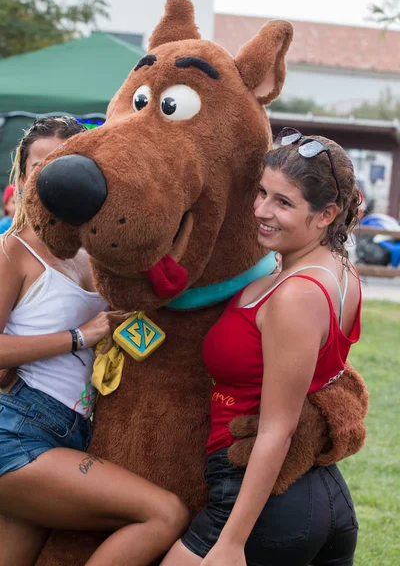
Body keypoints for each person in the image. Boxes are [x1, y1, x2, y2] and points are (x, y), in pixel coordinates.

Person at [161, 128, 363, 566]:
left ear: (327, 214)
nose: (261, 210)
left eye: (283, 202)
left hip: (258, 499)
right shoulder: (339, 271)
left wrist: (230, 541)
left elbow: (277, 428)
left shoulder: (298, 294)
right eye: (261, 193)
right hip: (319, 490)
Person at [0, 117, 189, 566]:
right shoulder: (12, 251)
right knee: (163, 514)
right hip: (20, 431)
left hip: (69, 432)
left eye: (66, 163)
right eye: (39, 166)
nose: (50, 177)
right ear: (23, 176)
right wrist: (80, 336)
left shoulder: (95, 254)